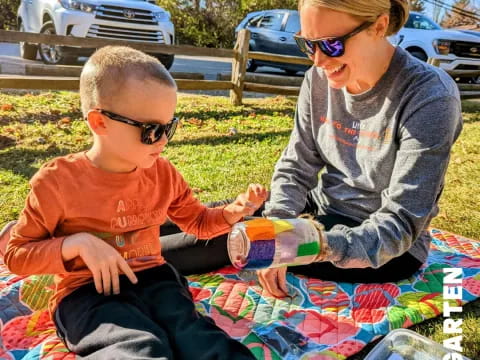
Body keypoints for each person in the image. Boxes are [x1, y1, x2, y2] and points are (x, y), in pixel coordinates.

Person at [158, 0, 463, 298]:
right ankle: (113, 230)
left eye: (331, 44)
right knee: (217, 214)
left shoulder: (429, 95)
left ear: (379, 26)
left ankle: (124, 262)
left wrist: (286, 244)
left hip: (385, 245)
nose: (317, 60)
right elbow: (296, 166)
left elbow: (400, 223)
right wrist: (276, 223)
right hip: (321, 207)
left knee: (233, 239)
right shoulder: (317, 79)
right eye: (307, 44)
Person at [4, 46, 266, 359]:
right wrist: (77, 244)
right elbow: (16, 255)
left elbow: (197, 223)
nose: (164, 141)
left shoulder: (162, 173)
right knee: (138, 348)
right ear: (99, 122)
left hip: (155, 278)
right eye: (152, 130)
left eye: (169, 127)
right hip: (87, 291)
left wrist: (235, 212)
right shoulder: (58, 182)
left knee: (199, 340)